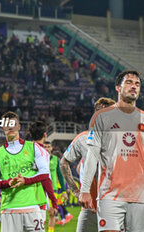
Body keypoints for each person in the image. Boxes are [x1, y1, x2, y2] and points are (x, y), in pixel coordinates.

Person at [79, 71, 144, 232]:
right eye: (129, 82)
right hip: (109, 195)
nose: (133, 86)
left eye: (137, 84)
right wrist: (85, 190)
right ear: (117, 87)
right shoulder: (101, 117)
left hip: (139, 197)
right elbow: (92, 155)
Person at [0, 112, 55, 232]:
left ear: (19, 126)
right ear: (3, 128)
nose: (10, 127)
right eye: (7, 124)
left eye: (13, 124)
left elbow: (45, 174)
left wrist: (26, 180)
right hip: (9, 209)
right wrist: (8, 183)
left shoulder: (33, 148)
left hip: (32, 207)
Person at [60, 97, 115, 232]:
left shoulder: (124, 140)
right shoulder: (83, 139)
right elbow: (63, 163)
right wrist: (76, 190)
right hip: (90, 209)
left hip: (116, 208)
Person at [28, 121, 60, 232]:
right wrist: (53, 201)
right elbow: (45, 178)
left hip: (24, 196)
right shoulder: (43, 152)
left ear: (30, 134)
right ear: (45, 135)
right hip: (39, 196)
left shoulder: (24, 150)